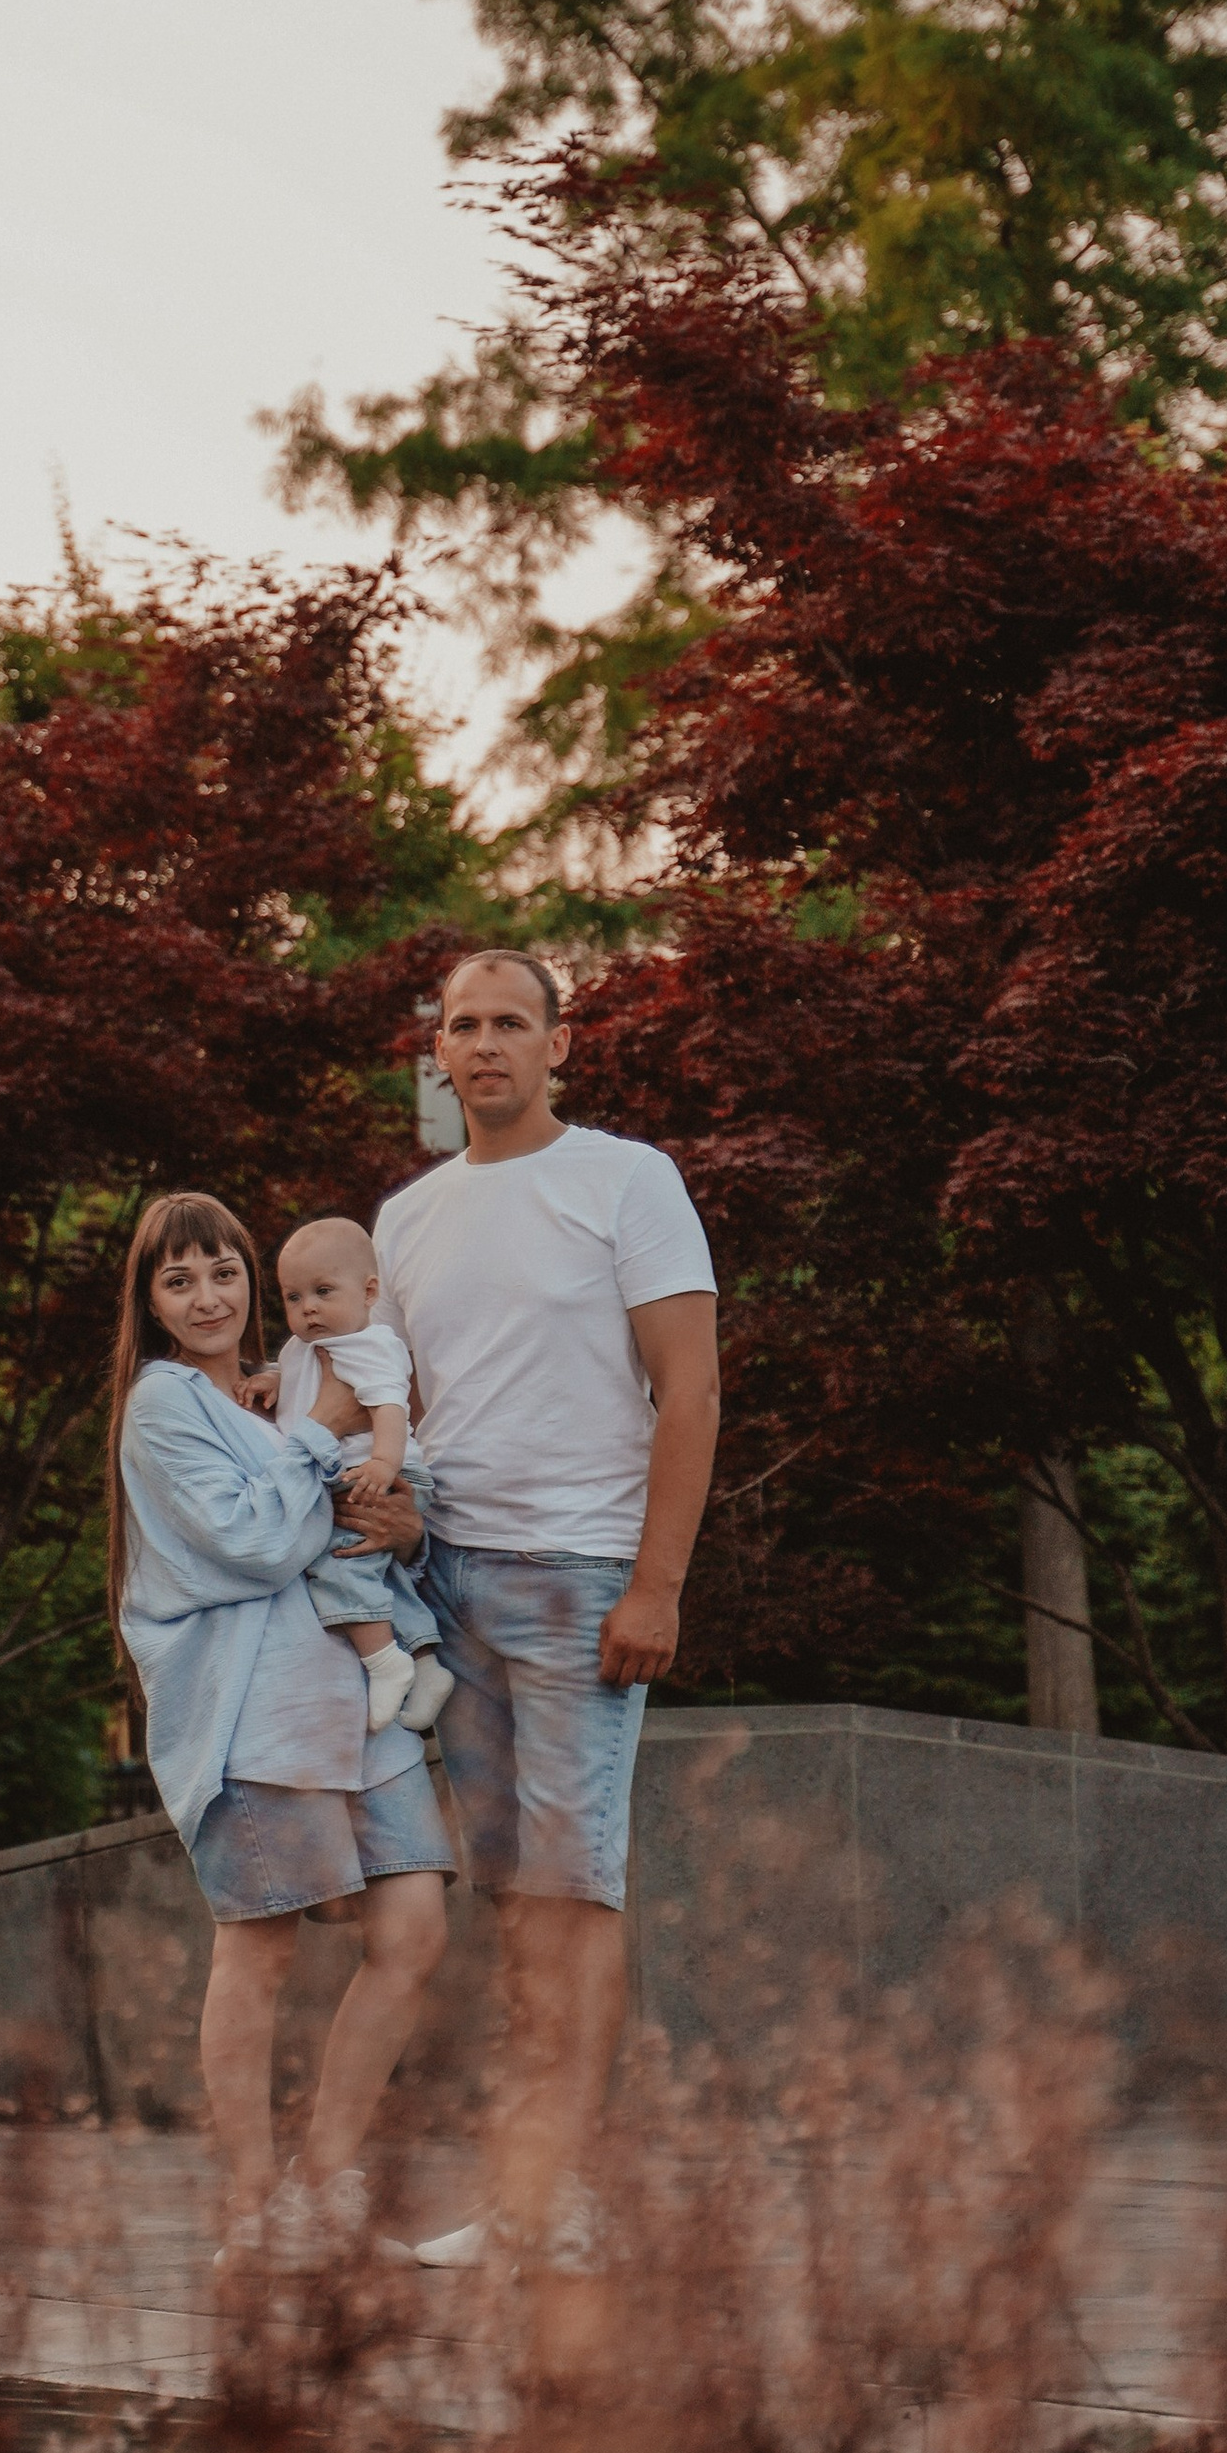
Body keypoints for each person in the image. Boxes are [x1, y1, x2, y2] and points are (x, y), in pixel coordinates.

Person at [362, 950, 719, 2275]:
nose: (488, 1043)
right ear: (439, 1053)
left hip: (580, 1586)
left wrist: (656, 1584)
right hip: (446, 1585)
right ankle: (526, 2195)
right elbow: (393, 1414)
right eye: (465, 1025)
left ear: (562, 1045)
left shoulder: (627, 1180)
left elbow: (689, 1392)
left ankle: (560, 2200)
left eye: (514, 1021)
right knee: (520, 1903)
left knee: (574, 1894)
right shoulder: (406, 1220)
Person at [108, 1188, 451, 2265]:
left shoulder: (293, 1376)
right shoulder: (164, 1408)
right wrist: (323, 1435)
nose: (207, 1296)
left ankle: (323, 2188)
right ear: (152, 1302)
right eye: (179, 1280)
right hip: (254, 1710)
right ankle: (254, 2215)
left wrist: (397, 1523)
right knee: (255, 1954)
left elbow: (378, 1519)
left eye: (222, 1271)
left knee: (413, 1932)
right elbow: (251, 1543)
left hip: (359, 1705)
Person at [259, 1216, 452, 1736]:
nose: (308, 1309)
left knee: (338, 1563)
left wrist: (385, 1465)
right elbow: (299, 1380)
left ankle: (383, 1661)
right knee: (378, 1571)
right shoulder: (302, 1349)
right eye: (293, 1297)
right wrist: (271, 1380)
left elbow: (390, 1407)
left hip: (378, 1470)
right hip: (352, 1470)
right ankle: (427, 1663)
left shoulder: (369, 1343)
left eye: (323, 1292)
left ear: (369, 1292)